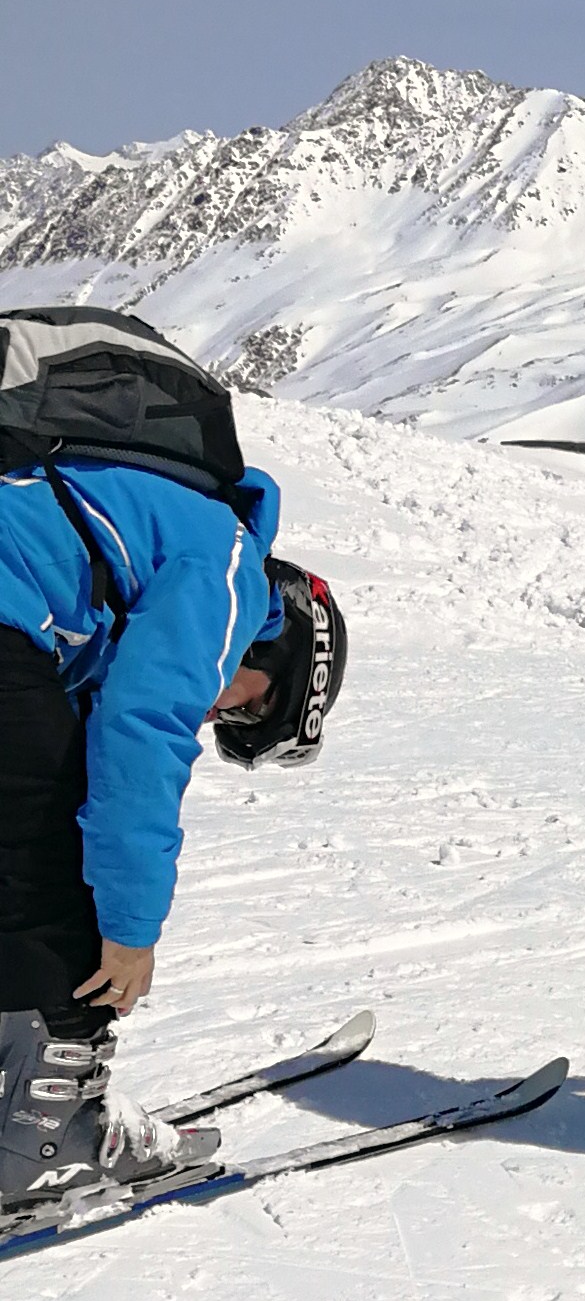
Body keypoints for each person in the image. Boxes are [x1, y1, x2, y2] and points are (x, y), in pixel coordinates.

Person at [1, 308, 334, 1208]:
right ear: (277, 649)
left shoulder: (116, 516)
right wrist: (130, 929)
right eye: (248, 702)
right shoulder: (228, 565)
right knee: (52, 862)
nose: (220, 707)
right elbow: (139, 736)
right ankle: (46, 1137)